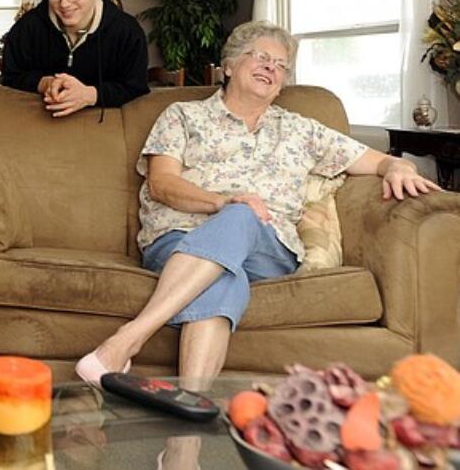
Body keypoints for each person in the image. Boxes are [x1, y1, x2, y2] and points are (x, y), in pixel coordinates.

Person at [74, 20, 439, 395]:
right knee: (224, 276)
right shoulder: (182, 116)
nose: (272, 68)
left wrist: (399, 165)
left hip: (268, 248)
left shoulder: (301, 130)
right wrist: (222, 201)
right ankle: (187, 423)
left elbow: (376, 161)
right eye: (261, 57)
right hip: (177, 238)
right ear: (229, 65)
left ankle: (128, 339)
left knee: (243, 216)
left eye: (281, 65)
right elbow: (162, 183)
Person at [2, 0, 149, 117]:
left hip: (102, 131)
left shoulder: (128, 31)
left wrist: (90, 95)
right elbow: (9, 78)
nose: (64, 4)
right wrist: (45, 83)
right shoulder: (26, 28)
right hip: (38, 129)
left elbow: (136, 87)